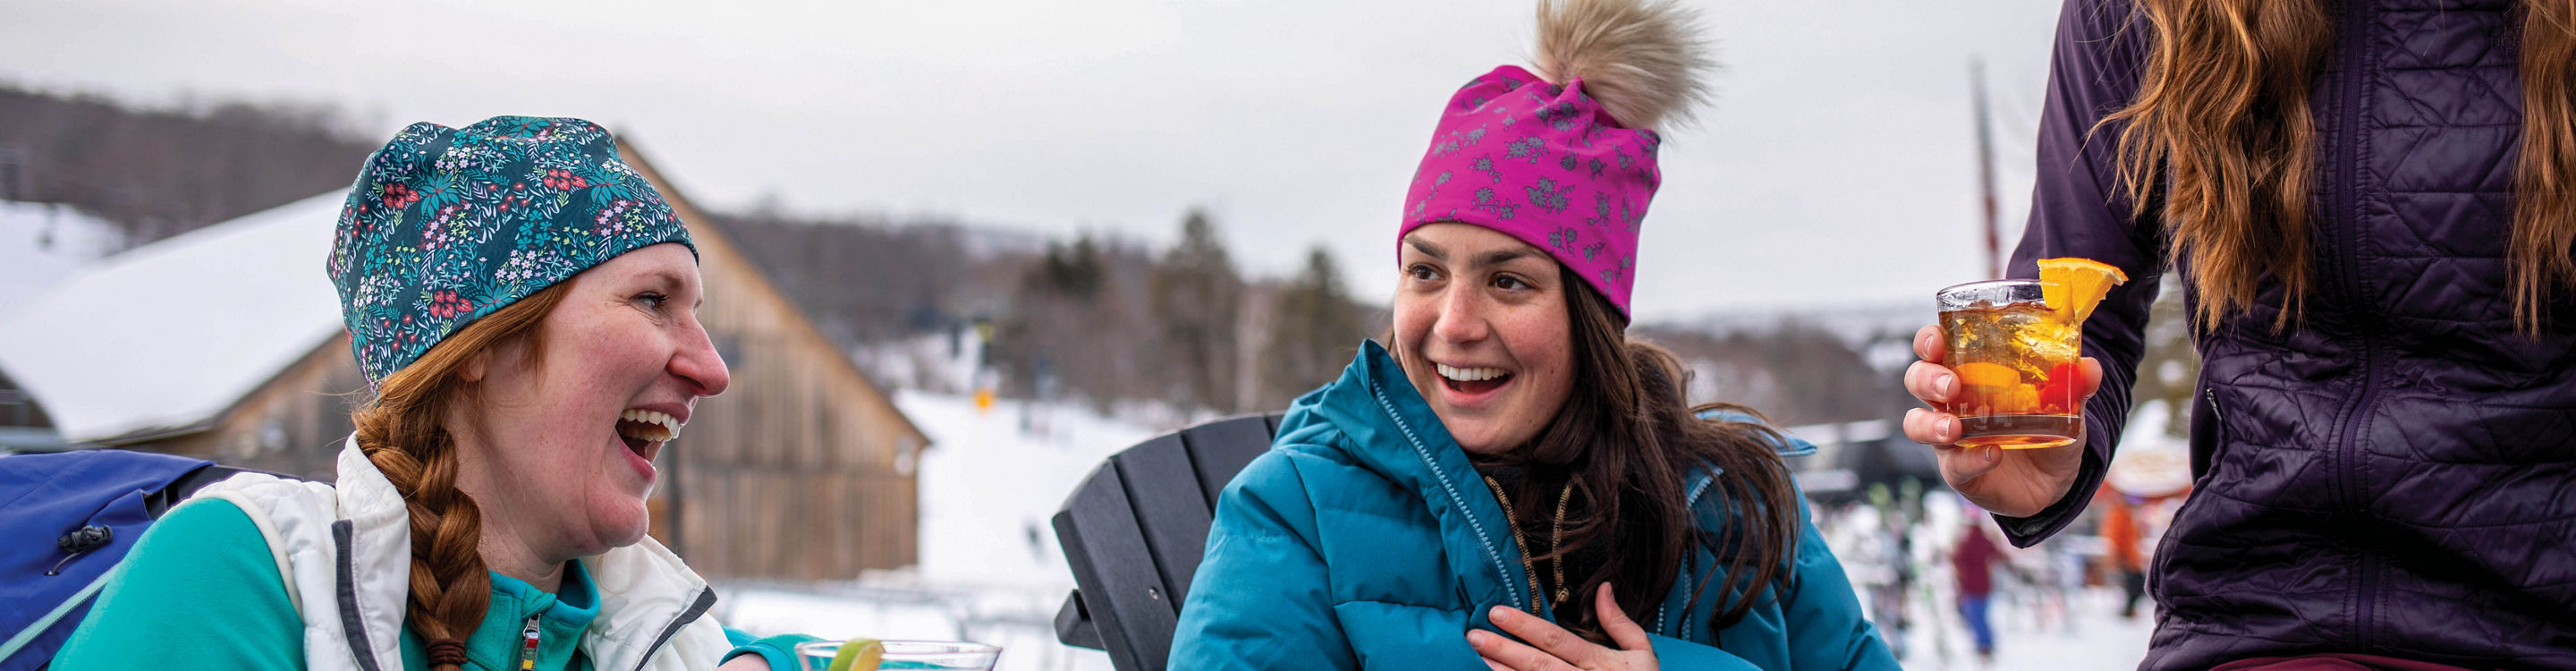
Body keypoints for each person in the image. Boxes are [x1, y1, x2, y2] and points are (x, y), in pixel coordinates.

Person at [1165, 1, 1899, 668]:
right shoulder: (1298, 511)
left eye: (1507, 281)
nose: (1453, 323)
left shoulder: (1730, 508)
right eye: (1425, 273)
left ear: (1592, 317)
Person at [1902, 0, 2576, 667]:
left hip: (2539, 622)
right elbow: (2077, 307)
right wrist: (2046, 450)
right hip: (2261, 616)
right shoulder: (2150, 10)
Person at [51, 117, 810, 670]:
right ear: (482, 346)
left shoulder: (660, 635)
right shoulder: (244, 579)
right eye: (652, 300)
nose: (713, 371)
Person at [1950, 518, 2000, 663]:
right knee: (1983, 615)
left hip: (1970, 586)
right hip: (1985, 585)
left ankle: (1982, 645)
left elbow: (1956, 559)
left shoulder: (1965, 543)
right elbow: (1997, 554)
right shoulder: (1985, 540)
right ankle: (1987, 643)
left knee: (1975, 617)